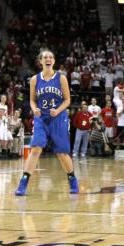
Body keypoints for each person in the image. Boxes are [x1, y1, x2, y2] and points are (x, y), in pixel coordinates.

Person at [15, 49, 79, 196]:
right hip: (41, 118)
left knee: (62, 153)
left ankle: (72, 179)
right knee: (36, 148)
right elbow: (32, 100)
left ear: (54, 61)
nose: (48, 59)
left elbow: (68, 100)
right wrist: (34, 108)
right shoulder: (34, 79)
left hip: (58, 118)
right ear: (41, 61)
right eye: (45, 57)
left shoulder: (61, 78)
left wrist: (57, 110)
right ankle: (23, 182)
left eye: (51, 57)